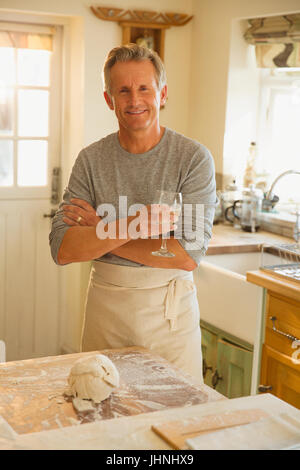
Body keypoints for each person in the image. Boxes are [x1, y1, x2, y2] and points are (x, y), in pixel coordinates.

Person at [49, 44, 217, 383]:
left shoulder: (193, 159)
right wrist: (133, 226)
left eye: (144, 88)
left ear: (162, 93)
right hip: (105, 317)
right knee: (103, 419)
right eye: (122, 90)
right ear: (109, 99)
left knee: (173, 424)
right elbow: (63, 249)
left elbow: (186, 255)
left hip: (170, 324)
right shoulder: (91, 161)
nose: (134, 100)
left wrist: (102, 231)